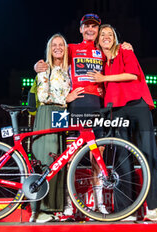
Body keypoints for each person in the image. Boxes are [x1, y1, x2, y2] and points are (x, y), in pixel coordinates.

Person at [35, 14, 111, 218]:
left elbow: (115, 56)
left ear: (97, 30)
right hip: (76, 105)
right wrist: (37, 66)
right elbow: (54, 55)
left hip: (97, 106)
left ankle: (99, 204)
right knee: (70, 157)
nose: (90, 29)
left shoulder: (102, 51)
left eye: (94, 27)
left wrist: (126, 46)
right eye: (86, 26)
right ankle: (69, 204)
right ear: (80, 29)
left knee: (98, 155)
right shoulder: (72, 48)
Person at [87, 24, 157, 221]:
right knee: (121, 157)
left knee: (148, 153)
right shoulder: (100, 62)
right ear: (98, 41)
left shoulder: (124, 50)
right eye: (102, 34)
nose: (106, 36)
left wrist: (104, 77)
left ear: (115, 37)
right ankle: (126, 210)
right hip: (116, 110)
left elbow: (132, 75)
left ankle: (156, 208)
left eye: (110, 34)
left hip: (137, 105)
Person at [30, 34, 82, 223]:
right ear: (49, 49)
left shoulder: (68, 69)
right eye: (54, 45)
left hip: (61, 115)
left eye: (61, 45)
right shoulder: (45, 67)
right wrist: (66, 98)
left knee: (58, 161)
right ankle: (41, 210)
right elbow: (43, 95)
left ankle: (54, 209)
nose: (58, 48)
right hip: (47, 112)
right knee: (46, 159)